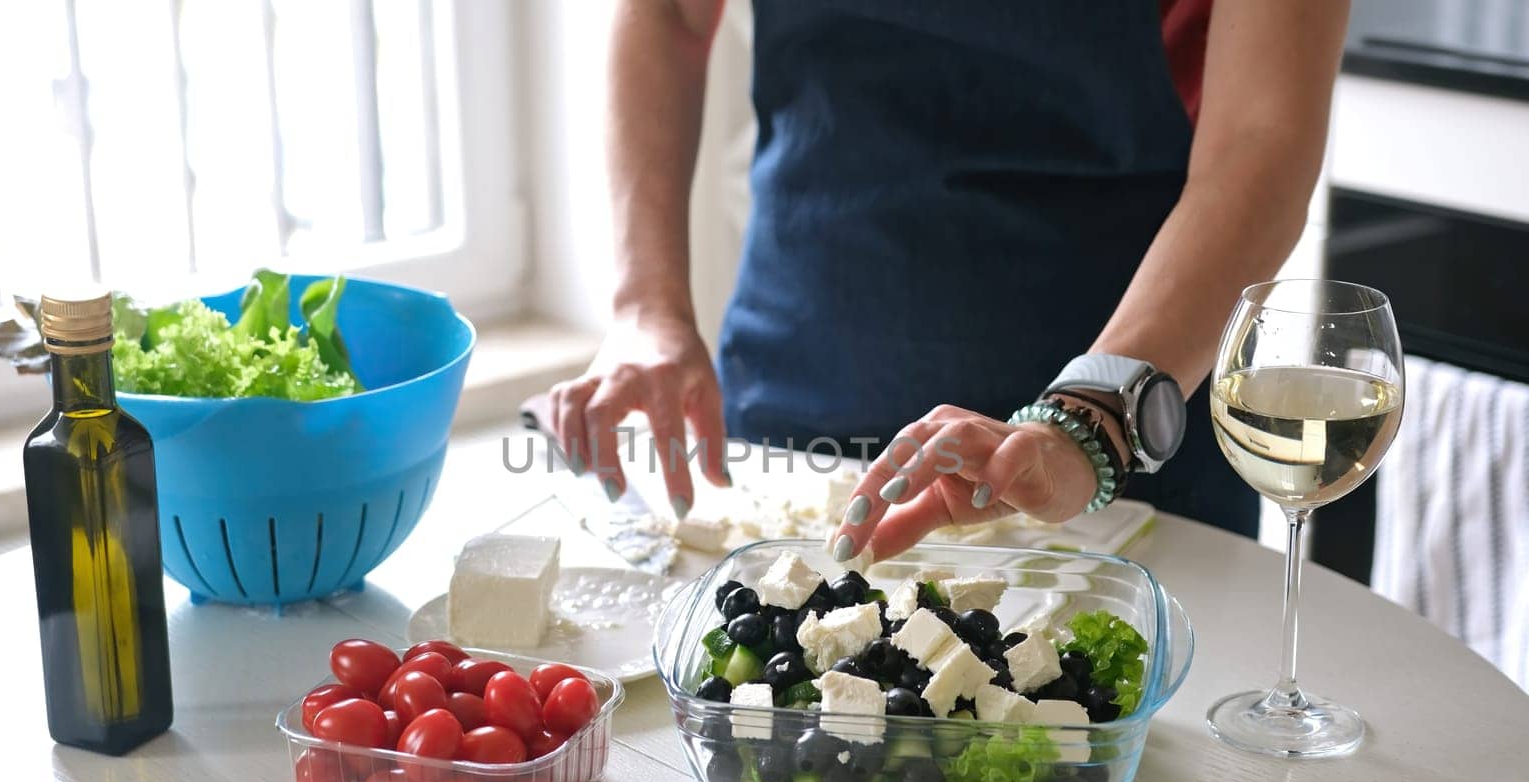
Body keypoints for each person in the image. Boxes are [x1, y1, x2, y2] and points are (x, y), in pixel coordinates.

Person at [548, 0, 1350, 564]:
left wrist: (1092, 417)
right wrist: (646, 307)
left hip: (1122, 429)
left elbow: (1261, 141)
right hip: (800, 386)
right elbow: (670, 13)